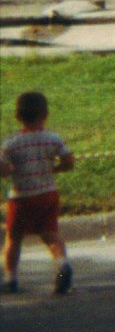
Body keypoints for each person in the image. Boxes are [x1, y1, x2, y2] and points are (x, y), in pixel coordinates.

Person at [1, 91, 75, 295]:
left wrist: (11, 169)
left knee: (13, 238)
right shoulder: (52, 139)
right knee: (50, 234)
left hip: (21, 197)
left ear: (17, 117)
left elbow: (3, 170)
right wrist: (55, 169)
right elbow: (68, 162)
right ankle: (61, 264)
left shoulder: (11, 143)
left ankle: (10, 278)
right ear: (45, 114)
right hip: (48, 194)